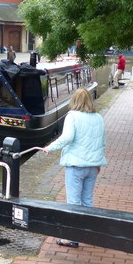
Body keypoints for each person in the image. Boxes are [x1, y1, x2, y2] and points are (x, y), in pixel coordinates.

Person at [43, 88, 107, 248]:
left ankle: (72, 238)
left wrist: (50, 147)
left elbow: (67, 137)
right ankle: (88, 233)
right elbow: (102, 141)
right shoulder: (98, 117)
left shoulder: (72, 116)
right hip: (93, 166)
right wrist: (98, 163)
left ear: (74, 101)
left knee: (73, 202)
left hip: (76, 166)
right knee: (87, 201)